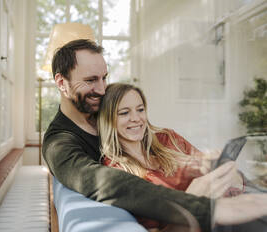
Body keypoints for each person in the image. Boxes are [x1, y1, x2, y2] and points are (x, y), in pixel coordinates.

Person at [42, 39, 267, 232]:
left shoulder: (144, 131)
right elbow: (103, 182)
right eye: (91, 80)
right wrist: (201, 206)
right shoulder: (60, 142)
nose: (101, 89)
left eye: (104, 78)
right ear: (62, 83)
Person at [98, 83, 244, 231]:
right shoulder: (116, 172)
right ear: (108, 118)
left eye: (140, 110)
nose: (136, 118)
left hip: (233, 211)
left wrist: (217, 164)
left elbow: (208, 166)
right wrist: (190, 202)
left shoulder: (167, 138)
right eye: (124, 113)